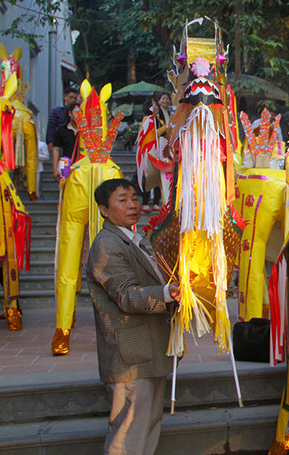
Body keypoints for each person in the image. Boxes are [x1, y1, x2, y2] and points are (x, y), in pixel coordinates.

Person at [85, 178, 180, 454]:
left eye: (135, 199)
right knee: (127, 435)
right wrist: (167, 293)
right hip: (130, 356)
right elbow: (126, 294)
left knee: (146, 426)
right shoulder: (106, 245)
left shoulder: (131, 240)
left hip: (148, 352)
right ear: (104, 210)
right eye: (122, 200)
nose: (132, 205)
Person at [51, 102, 80, 182]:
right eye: (76, 113)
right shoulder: (61, 130)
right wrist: (55, 168)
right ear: (70, 114)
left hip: (82, 167)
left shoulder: (85, 131)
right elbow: (56, 149)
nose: (79, 116)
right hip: (66, 166)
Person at [46, 86, 80, 154]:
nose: (73, 100)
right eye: (71, 97)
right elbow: (51, 126)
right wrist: (50, 141)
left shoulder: (80, 111)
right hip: (60, 139)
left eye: (75, 98)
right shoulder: (56, 110)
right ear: (64, 97)